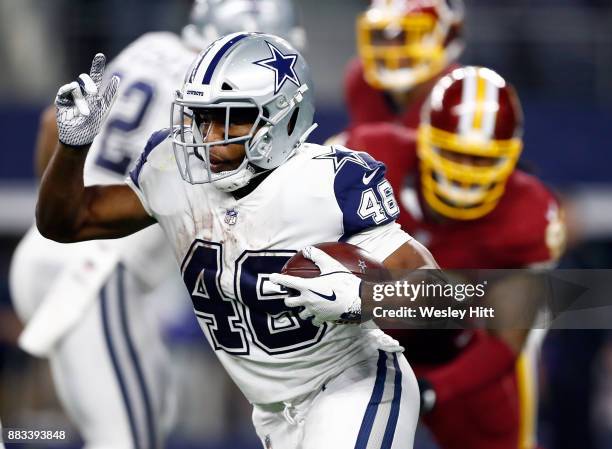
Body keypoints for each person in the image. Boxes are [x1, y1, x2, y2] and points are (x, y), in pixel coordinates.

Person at [34, 32, 449, 449]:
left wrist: (364, 296)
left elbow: (450, 299)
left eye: (232, 117)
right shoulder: (172, 171)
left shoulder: (328, 181)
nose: (210, 136)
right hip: (272, 414)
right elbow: (66, 223)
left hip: (354, 386)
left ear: (285, 116)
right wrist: (73, 147)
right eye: (201, 116)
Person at [10, 2, 305, 448]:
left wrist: (55, 210)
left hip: (53, 246)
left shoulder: (151, 46)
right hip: (97, 273)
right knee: (125, 439)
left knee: (150, 411)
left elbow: (55, 123)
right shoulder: (227, 94)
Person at [346, 66, 567, 449]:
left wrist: (431, 390)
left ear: (511, 156)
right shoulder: (373, 155)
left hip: (461, 350)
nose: (465, 172)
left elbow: (506, 340)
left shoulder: (528, 213)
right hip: (361, 343)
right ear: (424, 137)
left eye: (482, 159)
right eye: (454, 153)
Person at [344, 0, 464, 132]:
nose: (392, 49)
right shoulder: (362, 80)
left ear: (446, 38)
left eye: (404, 36)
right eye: (382, 36)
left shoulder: (460, 95)